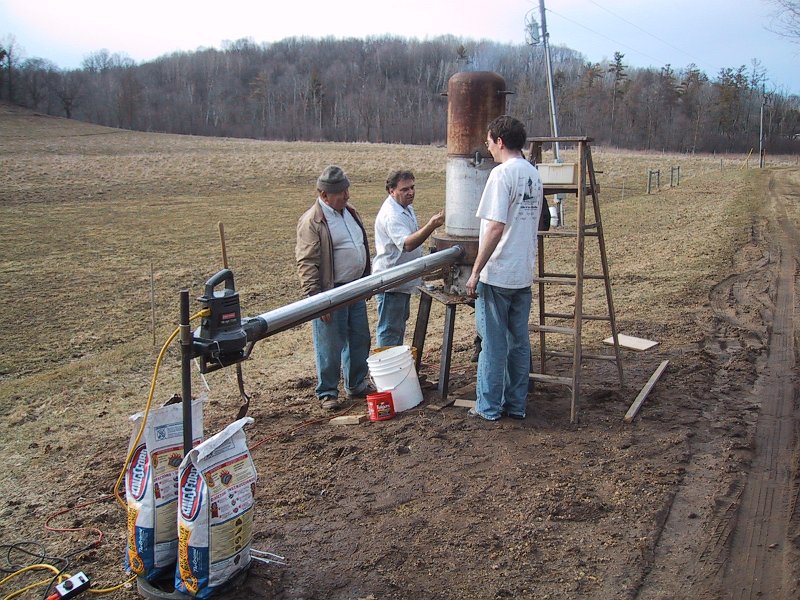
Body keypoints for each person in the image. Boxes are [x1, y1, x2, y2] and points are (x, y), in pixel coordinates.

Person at [465, 115, 544, 421]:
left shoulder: (501, 175)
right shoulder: (533, 175)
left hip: (498, 273)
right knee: (518, 342)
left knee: (493, 346)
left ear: (500, 141)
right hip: (522, 273)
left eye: (488, 142)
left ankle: (488, 407)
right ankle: (516, 404)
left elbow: (496, 227)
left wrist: (475, 271)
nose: (488, 148)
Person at [296, 165, 373, 410]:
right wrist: (316, 299)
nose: (347, 195)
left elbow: (360, 244)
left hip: (355, 288)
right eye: (341, 192)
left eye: (347, 189)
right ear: (324, 195)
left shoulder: (349, 212)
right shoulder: (312, 221)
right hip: (331, 292)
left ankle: (356, 384)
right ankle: (328, 392)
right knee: (330, 343)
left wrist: (366, 278)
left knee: (360, 338)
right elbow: (307, 261)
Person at [372, 170, 445, 347]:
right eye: (405, 189)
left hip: (402, 280)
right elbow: (407, 244)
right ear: (391, 191)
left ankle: (396, 370)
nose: (411, 192)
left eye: (412, 188)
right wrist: (431, 225)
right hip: (391, 282)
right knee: (389, 331)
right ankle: (387, 371)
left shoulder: (405, 207)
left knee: (397, 328)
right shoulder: (392, 214)